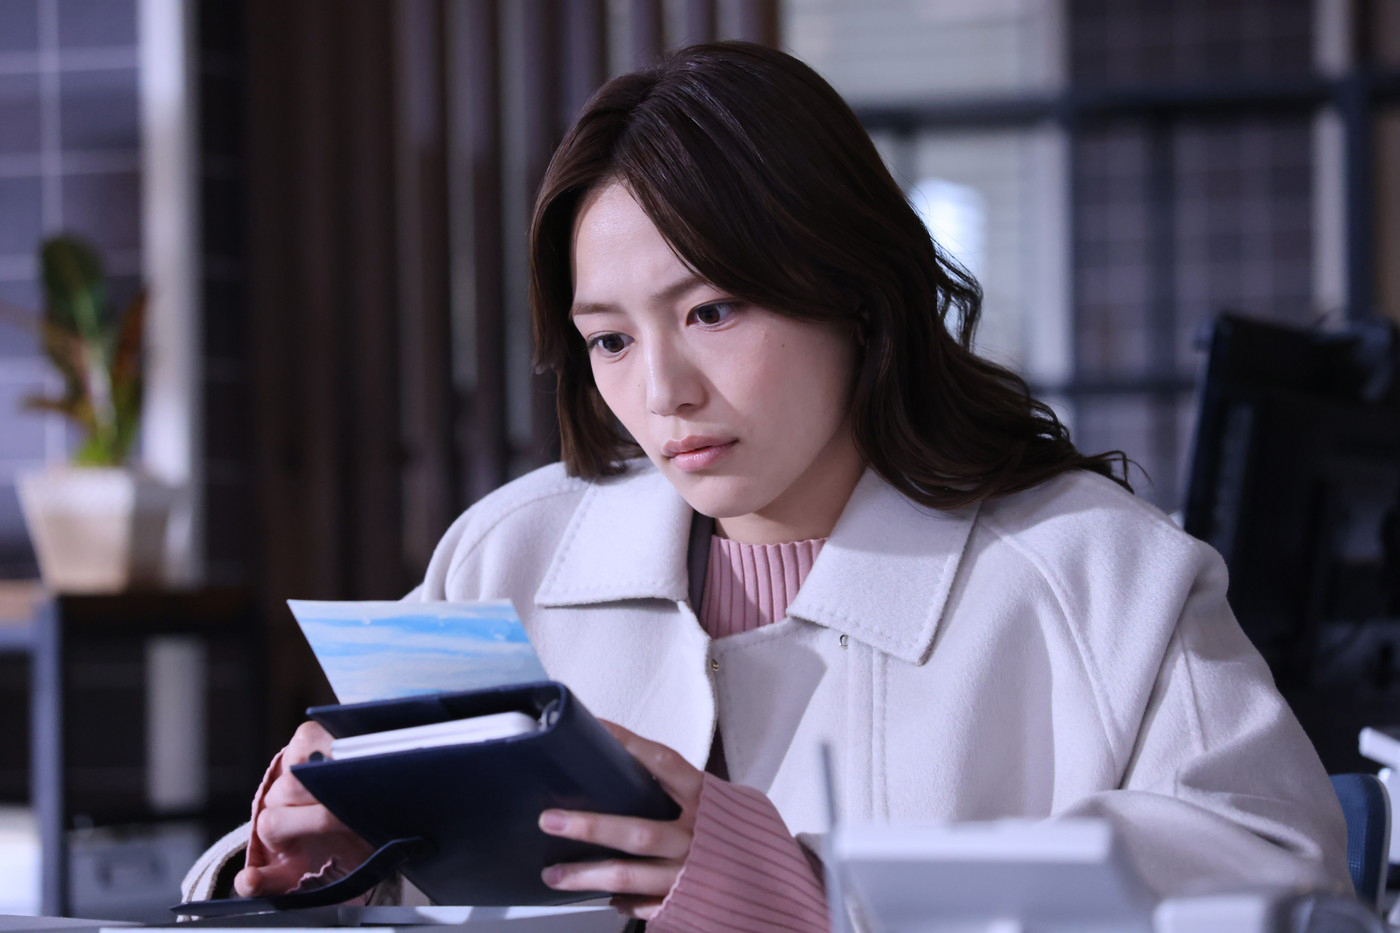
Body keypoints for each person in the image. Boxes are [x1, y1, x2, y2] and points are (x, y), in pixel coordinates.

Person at [182, 40, 1350, 932]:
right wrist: (306, 868)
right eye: (609, 340)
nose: (661, 393)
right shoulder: (508, 557)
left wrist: (808, 892)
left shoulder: (1095, 573)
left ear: (853, 291)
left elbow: (1287, 882)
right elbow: (374, 884)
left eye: (711, 311)